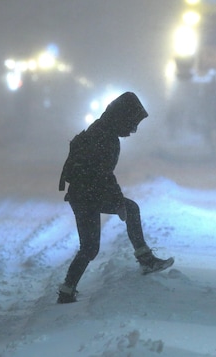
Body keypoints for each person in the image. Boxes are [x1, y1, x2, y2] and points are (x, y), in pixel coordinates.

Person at [56, 92, 174, 304]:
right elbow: (102, 175)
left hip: (84, 194)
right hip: (87, 196)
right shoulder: (104, 137)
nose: (132, 129)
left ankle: (67, 290)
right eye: (131, 123)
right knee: (91, 246)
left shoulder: (101, 130)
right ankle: (145, 260)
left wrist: (117, 200)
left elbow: (100, 175)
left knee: (91, 245)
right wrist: (118, 201)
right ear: (121, 117)